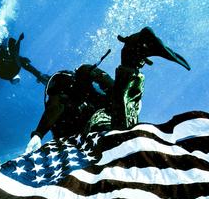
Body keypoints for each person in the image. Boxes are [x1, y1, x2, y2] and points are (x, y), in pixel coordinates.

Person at [24, 27, 190, 154]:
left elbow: (56, 105)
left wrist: (38, 133)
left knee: (121, 138)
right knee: (126, 129)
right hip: (108, 111)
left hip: (97, 124)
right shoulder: (78, 86)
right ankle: (133, 53)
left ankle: (132, 55)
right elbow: (114, 91)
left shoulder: (62, 87)